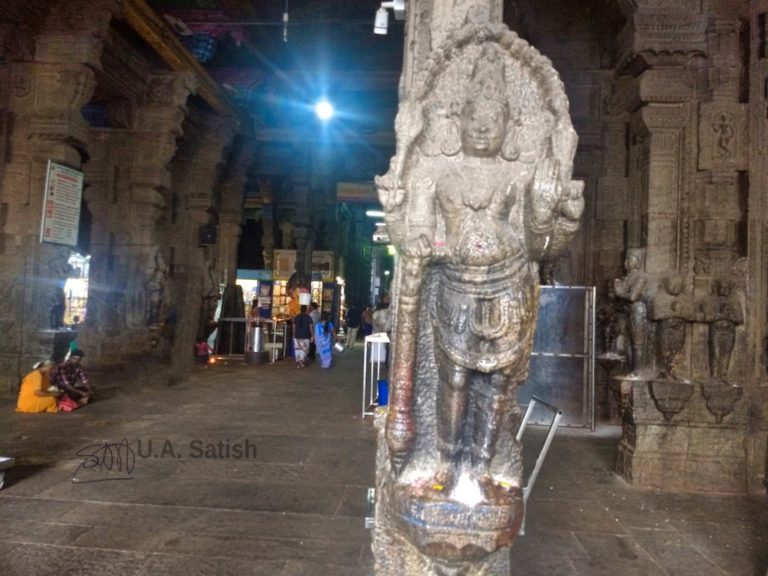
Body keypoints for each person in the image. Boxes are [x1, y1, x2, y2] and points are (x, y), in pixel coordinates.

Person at [377, 44, 583, 494]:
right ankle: (448, 464)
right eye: (475, 117)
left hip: (508, 289)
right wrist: (401, 218)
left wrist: (552, 212)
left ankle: (482, 466)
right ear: (459, 121)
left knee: (495, 384)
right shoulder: (435, 171)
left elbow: (541, 247)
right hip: (454, 291)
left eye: (494, 119)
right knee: (453, 379)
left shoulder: (520, 174)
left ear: (511, 125)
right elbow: (413, 238)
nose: (484, 126)